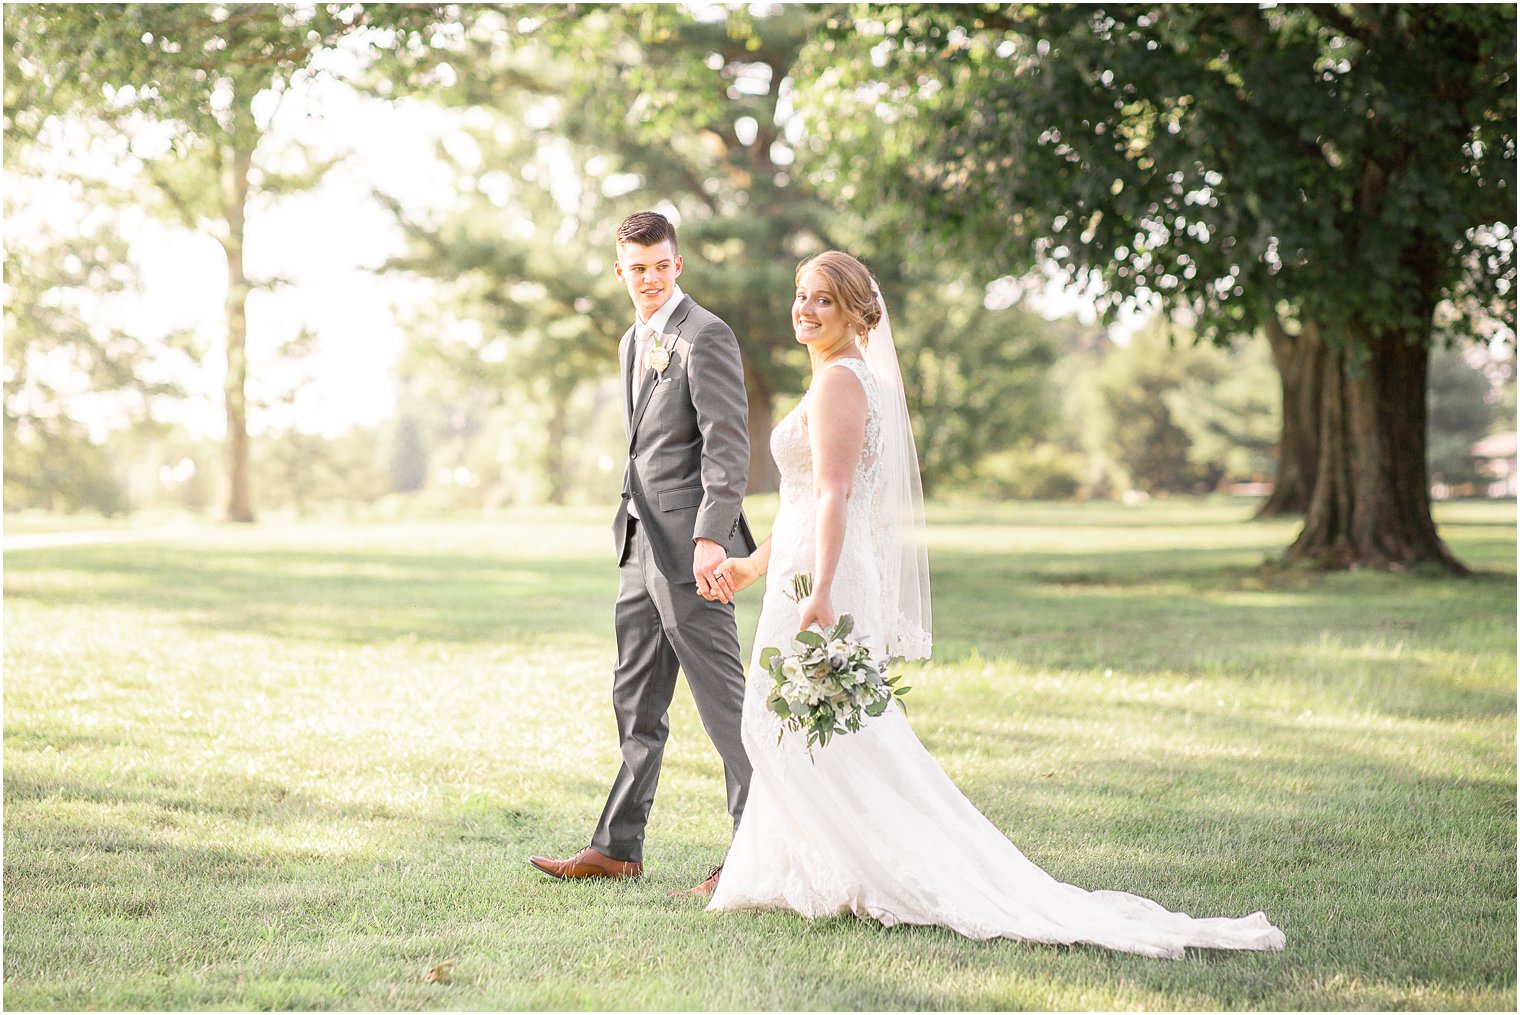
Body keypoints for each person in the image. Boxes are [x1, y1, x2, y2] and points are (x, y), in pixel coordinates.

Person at [703, 250, 1286, 959]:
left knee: (800, 721)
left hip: (822, 582)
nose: (805, 309)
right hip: (803, 569)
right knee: (802, 724)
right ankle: (801, 869)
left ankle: (874, 869)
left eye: (823, 299)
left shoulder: (841, 385)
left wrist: (821, 591)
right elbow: (800, 503)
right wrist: (752, 565)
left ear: (859, 312)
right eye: (801, 295)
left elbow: (834, 496)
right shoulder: (835, 376)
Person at [529, 211, 756, 896]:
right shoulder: (634, 339)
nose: (650, 278)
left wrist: (712, 536)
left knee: (724, 705)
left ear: (678, 264)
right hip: (637, 545)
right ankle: (618, 846)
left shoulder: (705, 335)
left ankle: (758, 850)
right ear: (621, 271)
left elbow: (727, 444)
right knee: (635, 700)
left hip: (695, 552)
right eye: (638, 268)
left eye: (661, 265)